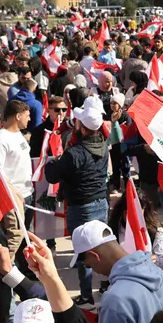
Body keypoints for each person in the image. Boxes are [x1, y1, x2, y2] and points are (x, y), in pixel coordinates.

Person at [69, 221, 163, 323]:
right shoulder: (157, 272)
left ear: (94, 256)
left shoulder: (114, 299)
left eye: (89, 265)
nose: (94, 271)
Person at [44, 95, 110, 306]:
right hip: (101, 203)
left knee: (84, 253)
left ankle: (86, 295)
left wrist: (51, 162)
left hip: (82, 208)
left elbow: (52, 175)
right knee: (103, 248)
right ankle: (107, 284)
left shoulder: (75, 153)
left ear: (82, 127)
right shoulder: (103, 143)